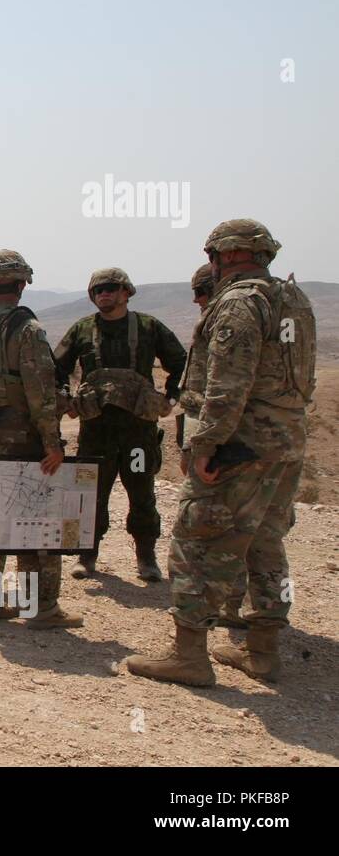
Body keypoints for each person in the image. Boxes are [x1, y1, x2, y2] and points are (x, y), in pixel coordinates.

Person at [128, 220, 314, 686]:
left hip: (240, 447)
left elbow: (227, 386)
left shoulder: (237, 304)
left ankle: (189, 656)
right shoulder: (294, 300)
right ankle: (263, 652)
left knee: (197, 542)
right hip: (286, 444)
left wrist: (206, 444)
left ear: (225, 255)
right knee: (266, 543)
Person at [0, 250, 82, 628]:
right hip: (22, 439)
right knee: (35, 518)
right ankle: (41, 608)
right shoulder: (27, 329)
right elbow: (40, 392)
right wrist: (53, 443)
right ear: (22, 284)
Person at [54, 268, 186, 581]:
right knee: (88, 493)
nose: (104, 294)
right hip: (96, 429)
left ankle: (145, 556)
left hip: (138, 429)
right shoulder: (83, 329)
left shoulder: (148, 327)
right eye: (98, 290)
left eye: (111, 288)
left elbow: (181, 362)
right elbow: (56, 367)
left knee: (141, 492)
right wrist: (67, 400)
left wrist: (169, 399)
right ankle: (85, 556)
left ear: (126, 292)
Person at [179, 263, 248, 628]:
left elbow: (220, 392)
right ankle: (254, 629)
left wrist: (200, 446)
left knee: (199, 531)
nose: (196, 300)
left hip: (227, 446)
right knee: (253, 532)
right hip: (266, 446)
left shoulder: (233, 314)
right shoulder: (280, 305)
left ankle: (191, 641)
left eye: (201, 291)